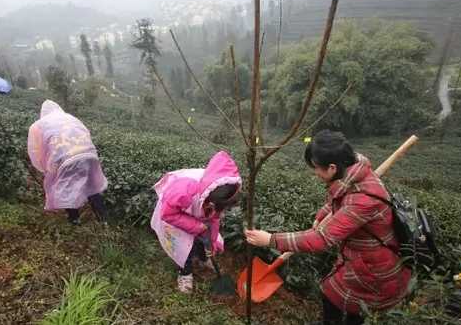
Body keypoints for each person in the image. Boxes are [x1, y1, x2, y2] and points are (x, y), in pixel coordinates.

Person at [245, 130, 411, 324]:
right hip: (360, 260)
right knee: (337, 298)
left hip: (376, 272)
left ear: (332, 168)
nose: (315, 172)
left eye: (316, 168)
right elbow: (340, 197)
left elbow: (322, 239)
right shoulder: (351, 171)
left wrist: (271, 239)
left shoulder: (363, 201)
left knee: (341, 302)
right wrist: (322, 214)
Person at [151, 151, 241, 293]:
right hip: (172, 214)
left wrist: (211, 242)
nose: (222, 211)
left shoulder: (223, 189)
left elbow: (214, 220)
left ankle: (203, 258)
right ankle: (185, 273)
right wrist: (197, 226)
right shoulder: (184, 190)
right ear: (211, 199)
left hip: (198, 209)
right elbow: (168, 214)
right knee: (183, 246)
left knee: (203, 237)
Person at [27, 100, 108, 225]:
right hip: (89, 155)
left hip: (66, 159)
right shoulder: (71, 118)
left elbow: (36, 150)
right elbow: (86, 134)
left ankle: (74, 221)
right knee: (92, 188)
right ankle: (103, 221)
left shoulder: (40, 125)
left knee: (69, 189)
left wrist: (46, 168)